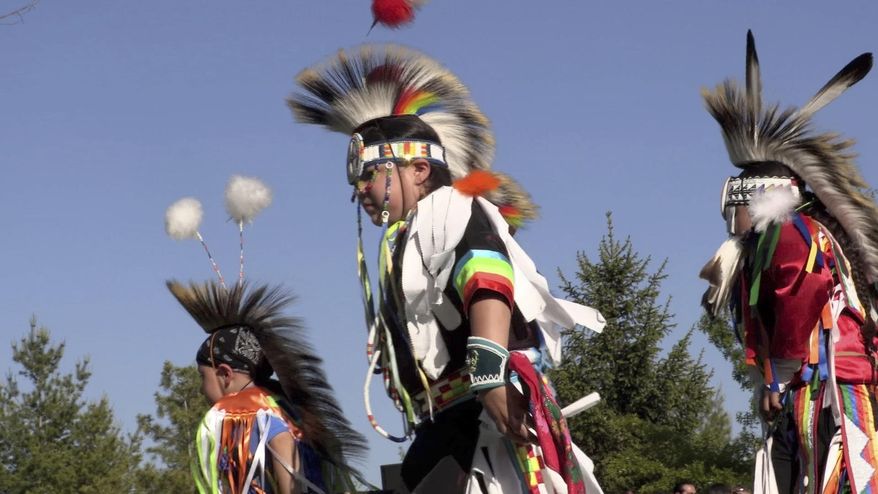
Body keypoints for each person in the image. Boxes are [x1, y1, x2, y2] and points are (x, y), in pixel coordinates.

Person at [289, 44, 606, 493]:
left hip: (485, 415)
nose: (360, 189)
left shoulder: (452, 210)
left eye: (370, 173)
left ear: (419, 169)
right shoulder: (405, 235)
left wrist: (490, 375)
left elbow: (487, 281)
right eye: (356, 179)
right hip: (449, 419)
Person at [700, 31, 878, 494]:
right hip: (829, 382)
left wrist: (775, 384)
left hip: (830, 385)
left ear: (758, 201)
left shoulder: (791, 237)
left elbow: (799, 306)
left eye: (736, 207)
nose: (731, 221)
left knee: (845, 475)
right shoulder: (800, 235)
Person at [164, 182, 366, 494]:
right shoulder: (287, 407)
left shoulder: (244, 412)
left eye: (202, 376)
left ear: (224, 374)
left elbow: (283, 452)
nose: (202, 388)